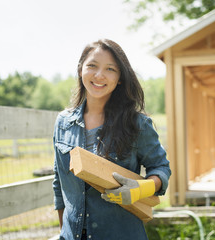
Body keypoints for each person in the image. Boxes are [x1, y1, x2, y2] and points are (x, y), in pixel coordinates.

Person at [52, 39, 171, 240]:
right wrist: (65, 231)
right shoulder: (63, 122)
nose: (99, 75)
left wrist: (142, 188)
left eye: (110, 69)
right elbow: (59, 182)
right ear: (81, 69)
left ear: (120, 78)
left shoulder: (137, 124)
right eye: (92, 66)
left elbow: (161, 168)